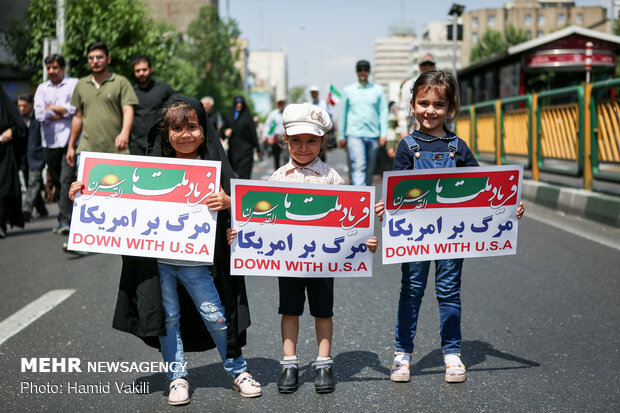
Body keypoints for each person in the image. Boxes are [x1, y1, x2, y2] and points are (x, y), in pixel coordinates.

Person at [69, 96, 261, 405]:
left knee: (215, 315)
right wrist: (84, 191)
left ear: (206, 130)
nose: (186, 135)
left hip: (198, 263)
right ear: (165, 133)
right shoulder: (149, 171)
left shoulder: (213, 167)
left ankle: (238, 370)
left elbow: (247, 199)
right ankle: (177, 377)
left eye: (193, 127)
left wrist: (228, 202)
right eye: (177, 128)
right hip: (158, 263)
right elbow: (114, 197)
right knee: (167, 318)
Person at [375, 70, 525, 384]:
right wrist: (385, 208)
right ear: (413, 106)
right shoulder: (406, 147)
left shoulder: (459, 147)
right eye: (424, 103)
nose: (430, 110)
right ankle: (402, 355)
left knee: (448, 292)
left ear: (450, 108)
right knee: (412, 292)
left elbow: (483, 189)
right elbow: (397, 193)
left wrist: (509, 207)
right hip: (414, 238)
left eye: (438, 104)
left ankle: (452, 353)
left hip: (451, 239)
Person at [228, 103, 378, 394]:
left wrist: (364, 242)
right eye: (296, 140)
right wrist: (240, 233)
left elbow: (350, 223)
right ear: (284, 140)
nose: (303, 147)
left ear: (323, 142)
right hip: (289, 263)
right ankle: (289, 363)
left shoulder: (333, 179)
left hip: (324, 262)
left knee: (323, 312)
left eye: (312, 140)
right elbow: (259, 222)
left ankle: (323, 363)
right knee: (290, 311)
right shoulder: (277, 179)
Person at [66, 41, 138, 167]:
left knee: (118, 186)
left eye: (99, 57)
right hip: (87, 151)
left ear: (108, 59)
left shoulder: (121, 82)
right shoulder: (81, 84)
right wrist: (71, 146)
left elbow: (128, 110)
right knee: (86, 187)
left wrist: (124, 134)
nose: (95, 61)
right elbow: (78, 117)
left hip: (116, 150)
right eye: (91, 58)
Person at [33, 53, 78, 234]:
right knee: (60, 183)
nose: (51, 71)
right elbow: (39, 114)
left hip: (69, 142)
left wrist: (51, 109)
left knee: (66, 180)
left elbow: (74, 109)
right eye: (48, 68)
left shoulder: (73, 84)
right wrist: (62, 112)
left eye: (54, 67)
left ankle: (67, 222)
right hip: (49, 142)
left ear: (62, 68)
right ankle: (65, 217)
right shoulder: (42, 88)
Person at [338, 59, 388, 186]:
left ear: (369, 71)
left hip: (373, 135)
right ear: (356, 72)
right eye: (360, 69)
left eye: (365, 69)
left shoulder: (378, 90)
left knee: (370, 169)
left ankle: (367, 197)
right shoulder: (348, 90)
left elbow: (383, 112)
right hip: (355, 135)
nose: (363, 72)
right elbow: (342, 114)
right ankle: (360, 197)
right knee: (359, 166)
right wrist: (342, 136)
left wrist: (384, 133)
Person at [130, 56, 174, 155]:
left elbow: (175, 112)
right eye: (138, 71)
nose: (141, 73)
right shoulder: (130, 92)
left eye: (144, 70)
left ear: (150, 69)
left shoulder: (164, 89)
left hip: (160, 143)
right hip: (136, 144)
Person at [0, 86, 27, 238]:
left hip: (3, 153)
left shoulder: (4, 103)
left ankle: (0, 223)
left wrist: (11, 130)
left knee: (3, 189)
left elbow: (19, 125)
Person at [18, 94, 47, 221]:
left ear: (31, 105)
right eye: (19, 106)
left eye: (24, 106)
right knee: (31, 182)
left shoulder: (39, 118)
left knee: (33, 182)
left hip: (37, 157)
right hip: (23, 158)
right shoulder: (18, 118)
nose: (22, 108)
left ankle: (26, 210)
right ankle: (41, 209)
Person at [397, 54, 437, 137]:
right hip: (416, 134)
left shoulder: (442, 85)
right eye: (424, 65)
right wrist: (404, 132)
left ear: (434, 66)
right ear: (419, 66)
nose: (427, 67)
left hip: (437, 134)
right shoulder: (410, 85)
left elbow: (448, 113)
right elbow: (403, 110)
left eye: (430, 64)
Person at [221, 96, 260, 179]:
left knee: (244, 175)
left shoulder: (247, 117)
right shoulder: (230, 115)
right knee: (234, 175)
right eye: (237, 103)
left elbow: (253, 133)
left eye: (241, 103)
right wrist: (225, 132)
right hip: (233, 152)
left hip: (246, 151)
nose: (239, 105)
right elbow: (222, 131)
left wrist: (258, 149)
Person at [262, 99, 286, 170]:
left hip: (285, 137)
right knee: (276, 156)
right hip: (276, 137)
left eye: (282, 103)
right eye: (279, 104)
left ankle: (284, 172)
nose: (281, 105)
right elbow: (268, 125)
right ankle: (277, 171)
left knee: (284, 156)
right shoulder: (273, 114)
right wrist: (268, 137)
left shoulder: (287, 113)